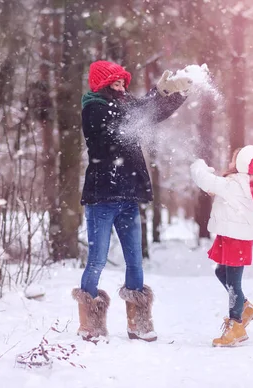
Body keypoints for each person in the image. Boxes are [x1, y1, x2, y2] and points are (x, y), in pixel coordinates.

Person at [72, 60, 193, 342]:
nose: (121, 87)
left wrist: (171, 95)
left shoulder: (124, 104)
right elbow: (131, 117)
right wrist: (154, 96)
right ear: (102, 85)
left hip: (128, 196)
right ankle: (89, 322)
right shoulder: (94, 108)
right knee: (97, 260)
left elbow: (147, 113)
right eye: (115, 83)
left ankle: (138, 323)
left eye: (123, 83)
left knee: (135, 261)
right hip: (102, 197)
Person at [190, 145, 253, 347]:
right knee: (222, 273)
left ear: (242, 164)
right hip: (233, 236)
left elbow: (205, 181)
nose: (230, 162)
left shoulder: (235, 184)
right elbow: (218, 190)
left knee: (233, 282)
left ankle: (236, 325)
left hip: (235, 238)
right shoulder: (248, 184)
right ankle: (245, 307)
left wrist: (198, 166)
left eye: (233, 159)